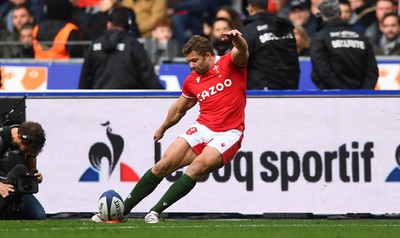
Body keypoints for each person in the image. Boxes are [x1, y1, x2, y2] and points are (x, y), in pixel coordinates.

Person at [92, 29, 248, 223]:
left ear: (208, 55)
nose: (192, 66)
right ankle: (120, 211)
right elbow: (178, 109)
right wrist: (163, 127)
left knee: (196, 167)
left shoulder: (230, 63)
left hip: (228, 133)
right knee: (162, 165)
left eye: (194, 60)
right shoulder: (192, 81)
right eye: (189, 62)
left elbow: (243, 50)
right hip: (202, 127)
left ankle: (155, 212)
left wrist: (237, 39)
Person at [79, 7, 164, 89]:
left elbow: (85, 80)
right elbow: (148, 77)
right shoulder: (133, 44)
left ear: (109, 24)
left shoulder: (94, 45)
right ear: (128, 25)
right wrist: (163, 97)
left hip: (100, 100)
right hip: (129, 99)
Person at [309, 0, 378, 89]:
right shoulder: (360, 36)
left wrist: (340, 91)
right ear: (340, 14)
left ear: (319, 15)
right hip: (359, 96)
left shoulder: (319, 38)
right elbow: (371, 70)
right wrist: (363, 92)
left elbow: (321, 70)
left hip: (331, 96)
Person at [241, 0, 300, 90]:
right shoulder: (286, 26)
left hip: (262, 92)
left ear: (251, 9)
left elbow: (239, 62)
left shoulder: (248, 30)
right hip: (289, 87)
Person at [0, 121, 46, 220]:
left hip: (16, 187)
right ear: (19, 137)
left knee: (39, 216)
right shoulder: (1, 139)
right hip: (1, 185)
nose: (30, 153)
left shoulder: (31, 149)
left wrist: (34, 178)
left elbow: (31, 171)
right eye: (27, 150)